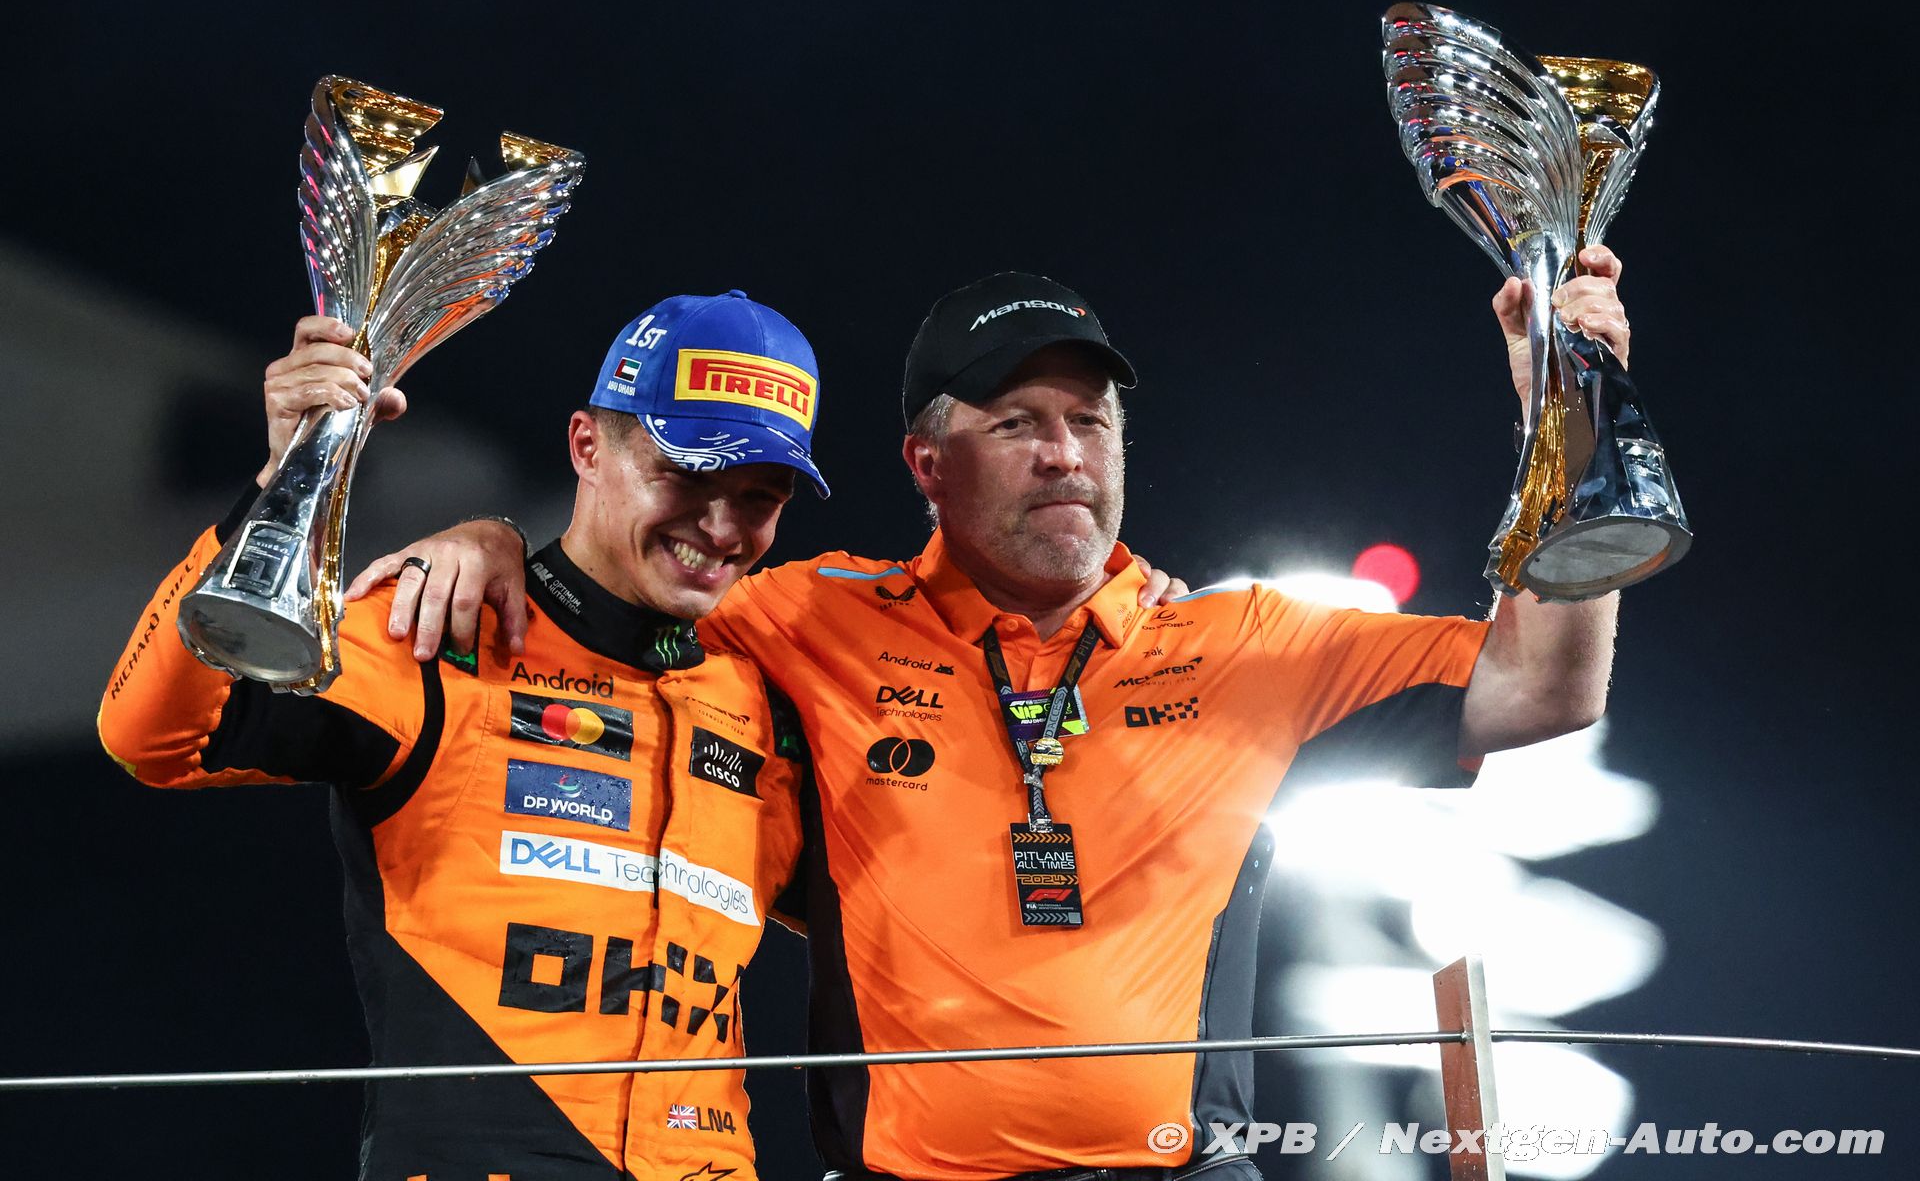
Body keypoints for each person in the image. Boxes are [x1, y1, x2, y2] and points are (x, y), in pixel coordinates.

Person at [363, 254, 1634, 1179]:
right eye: (1017, 423)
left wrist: (1568, 421)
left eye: (1090, 421)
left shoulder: (1247, 643)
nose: (1064, 452)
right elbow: (620, 582)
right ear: (928, 465)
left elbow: (1548, 684)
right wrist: (488, 543)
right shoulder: (800, 615)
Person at [99, 290, 837, 1180]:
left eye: (758, 497)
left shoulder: (762, 700)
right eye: (684, 477)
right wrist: (280, 483)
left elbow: (890, 914)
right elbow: (154, 735)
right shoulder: (435, 626)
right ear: (587, 446)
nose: (720, 529)